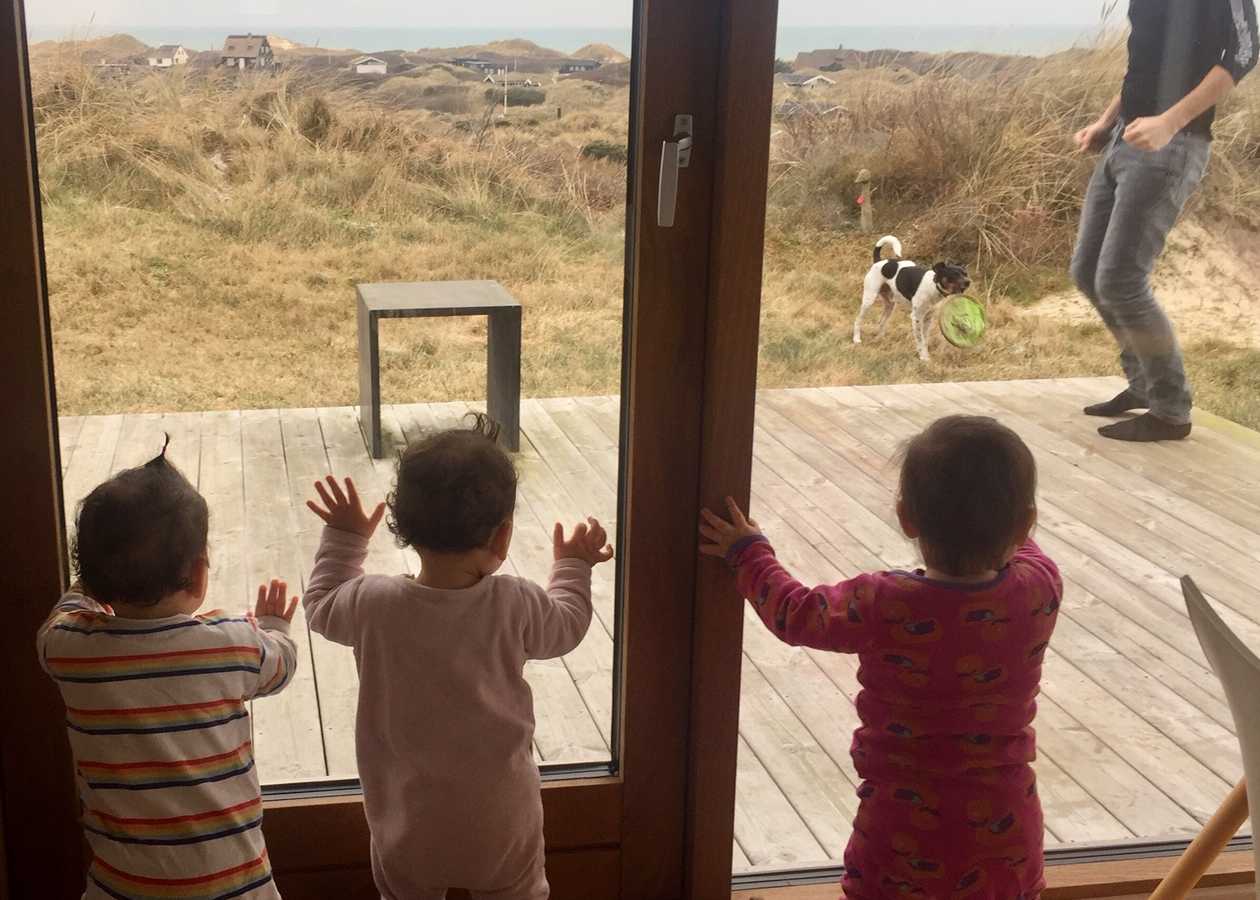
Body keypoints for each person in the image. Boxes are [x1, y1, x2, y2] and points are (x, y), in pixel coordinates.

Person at [700, 416, 1062, 900]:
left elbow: (795, 614)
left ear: (905, 515)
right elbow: (1021, 541)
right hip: (1007, 825)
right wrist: (1001, 515)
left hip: (903, 828)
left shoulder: (886, 602)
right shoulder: (1039, 588)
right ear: (1025, 523)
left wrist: (748, 552)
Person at [301, 414, 612, 900]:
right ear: (502, 538)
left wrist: (344, 538)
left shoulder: (373, 602)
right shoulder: (514, 602)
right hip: (501, 819)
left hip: (406, 820)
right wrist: (573, 565)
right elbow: (567, 624)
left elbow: (320, 606)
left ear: (400, 526)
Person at [37, 441, 299, 899]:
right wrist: (275, 626)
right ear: (199, 576)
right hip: (237, 887)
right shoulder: (231, 642)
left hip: (124, 887)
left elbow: (64, 612)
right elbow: (281, 665)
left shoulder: (70, 649)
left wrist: (90, 582)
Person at [1072, 0, 1258, 442]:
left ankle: (1171, 409)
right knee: (1086, 272)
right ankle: (1142, 383)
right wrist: (1105, 122)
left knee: (1121, 280)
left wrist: (1169, 123)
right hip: (1124, 139)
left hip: (1173, 145)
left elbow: (1243, 54)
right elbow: (1146, 61)